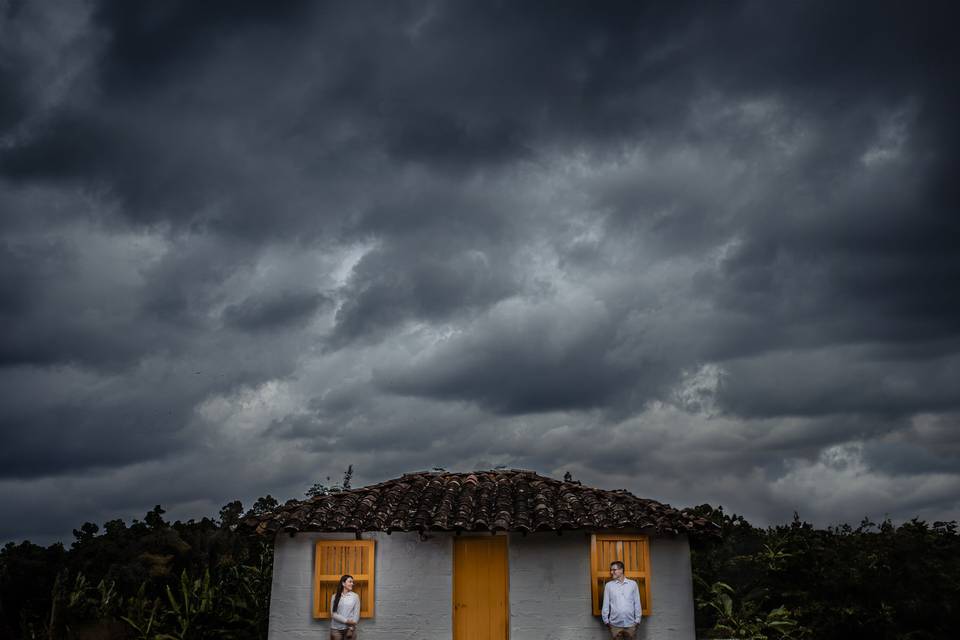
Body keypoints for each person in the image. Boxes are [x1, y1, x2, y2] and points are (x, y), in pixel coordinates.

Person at [601, 560, 643, 639]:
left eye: (614, 570)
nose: (611, 572)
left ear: (621, 570)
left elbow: (637, 603)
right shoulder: (608, 586)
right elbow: (605, 604)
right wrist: (606, 621)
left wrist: (637, 621)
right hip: (614, 625)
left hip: (631, 624)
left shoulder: (633, 584)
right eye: (611, 570)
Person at [330, 574, 360, 640]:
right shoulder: (334, 596)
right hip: (335, 630)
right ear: (343, 583)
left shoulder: (355, 596)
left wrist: (351, 627)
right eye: (350, 581)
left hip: (350, 630)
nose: (352, 584)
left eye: (352, 582)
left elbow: (356, 614)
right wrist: (347, 621)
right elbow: (333, 614)